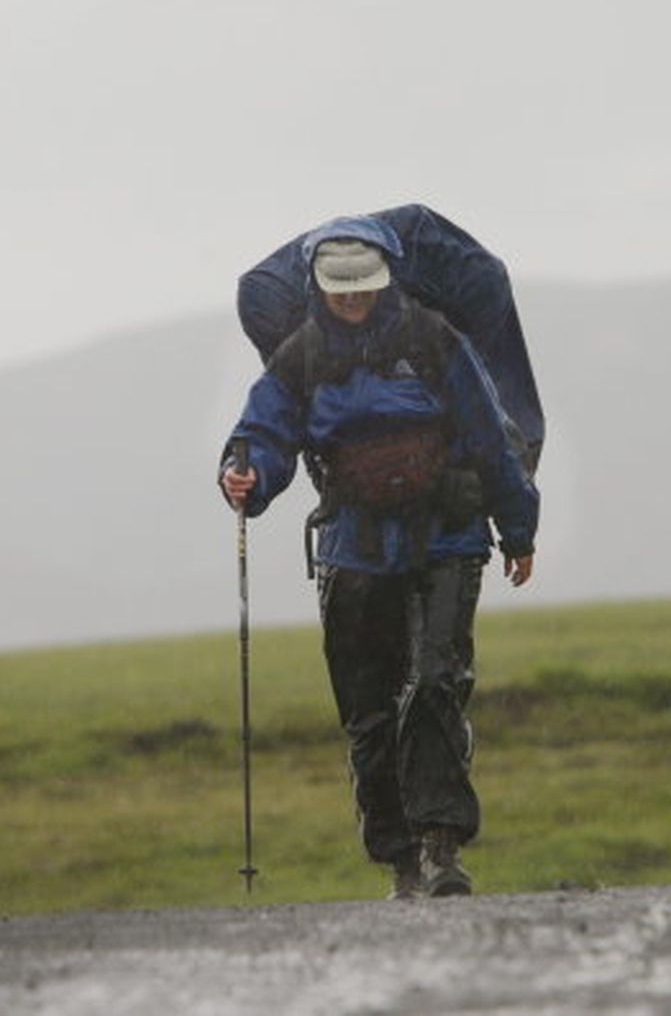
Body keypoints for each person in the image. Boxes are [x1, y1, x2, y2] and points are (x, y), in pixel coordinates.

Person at [219, 214, 539, 898]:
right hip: (352, 547)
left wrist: (518, 530)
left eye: (364, 287)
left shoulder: (435, 340)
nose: (354, 300)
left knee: (434, 683)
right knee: (367, 708)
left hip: (447, 538)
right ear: (319, 288)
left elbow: (488, 436)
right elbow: (263, 434)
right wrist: (242, 475)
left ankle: (441, 846)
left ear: (387, 278)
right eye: (341, 290)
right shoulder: (300, 357)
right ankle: (398, 857)